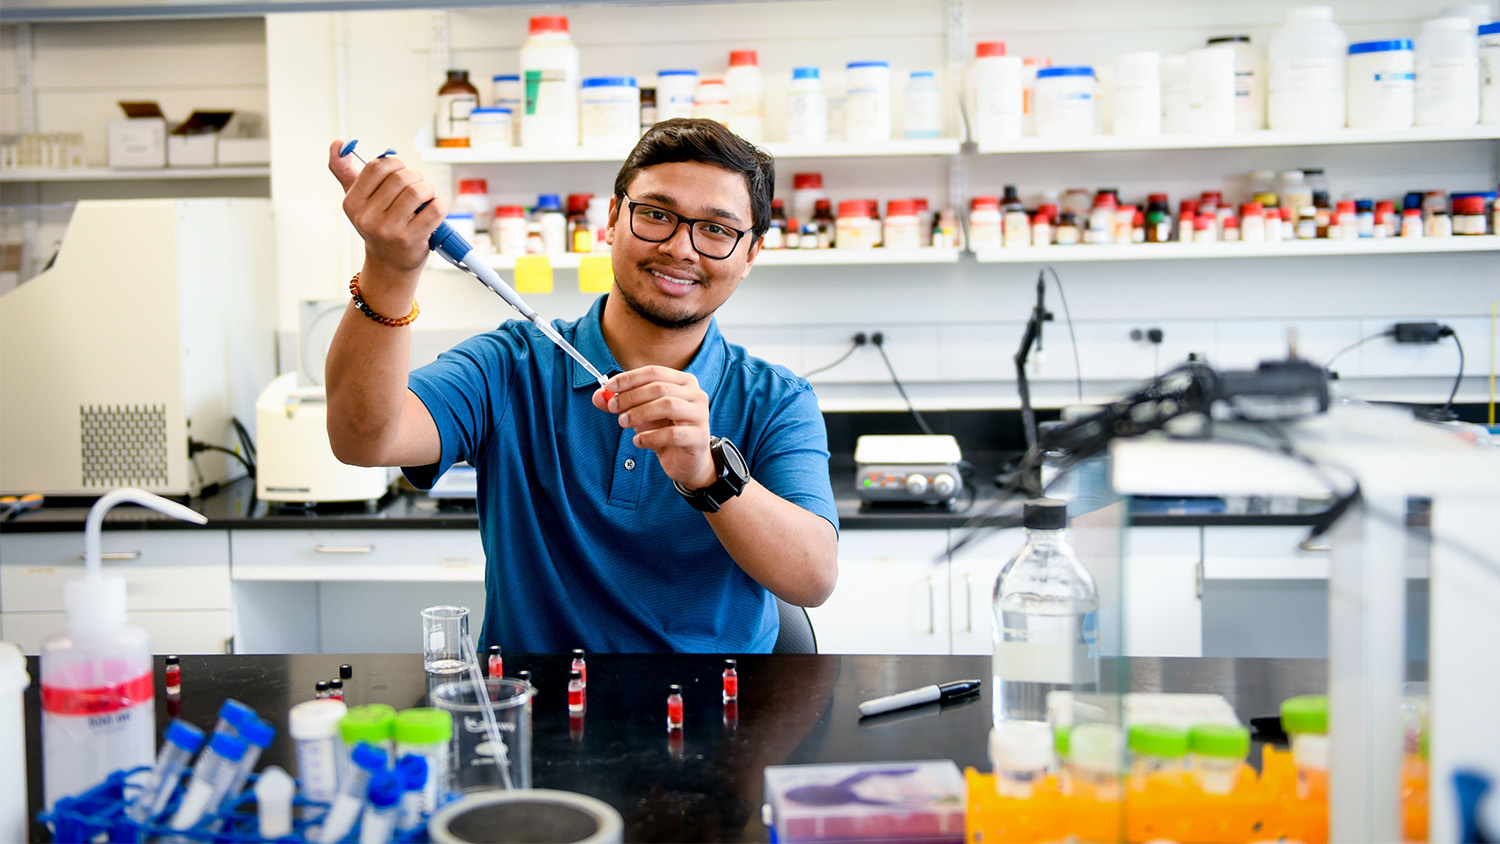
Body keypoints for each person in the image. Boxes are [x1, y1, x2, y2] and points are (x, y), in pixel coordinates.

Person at [324, 118, 839, 653]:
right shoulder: (511, 364)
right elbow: (364, 439)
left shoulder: (777, 400)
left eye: (716, 229)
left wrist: (708, 474)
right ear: (614, 219)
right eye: (657, 215)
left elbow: (813, 578)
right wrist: (388, 271)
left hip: (719, 714)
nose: (681, 248)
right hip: (534, 716)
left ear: (750, 253)